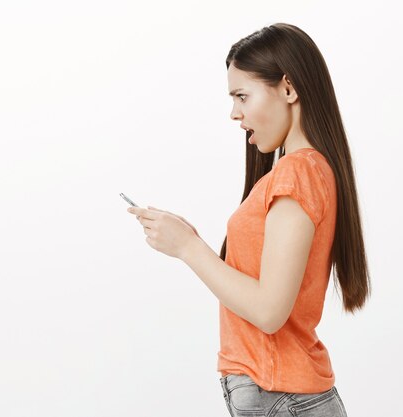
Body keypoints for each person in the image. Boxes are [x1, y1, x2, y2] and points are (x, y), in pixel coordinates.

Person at [126, 22, 370, 417]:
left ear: (288, 89)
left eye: (242, 96)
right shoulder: (309, 171)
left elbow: (269, 311)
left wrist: (188, 247)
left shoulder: (297, 174)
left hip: (282, 396)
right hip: (283, 396)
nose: (234, 114)